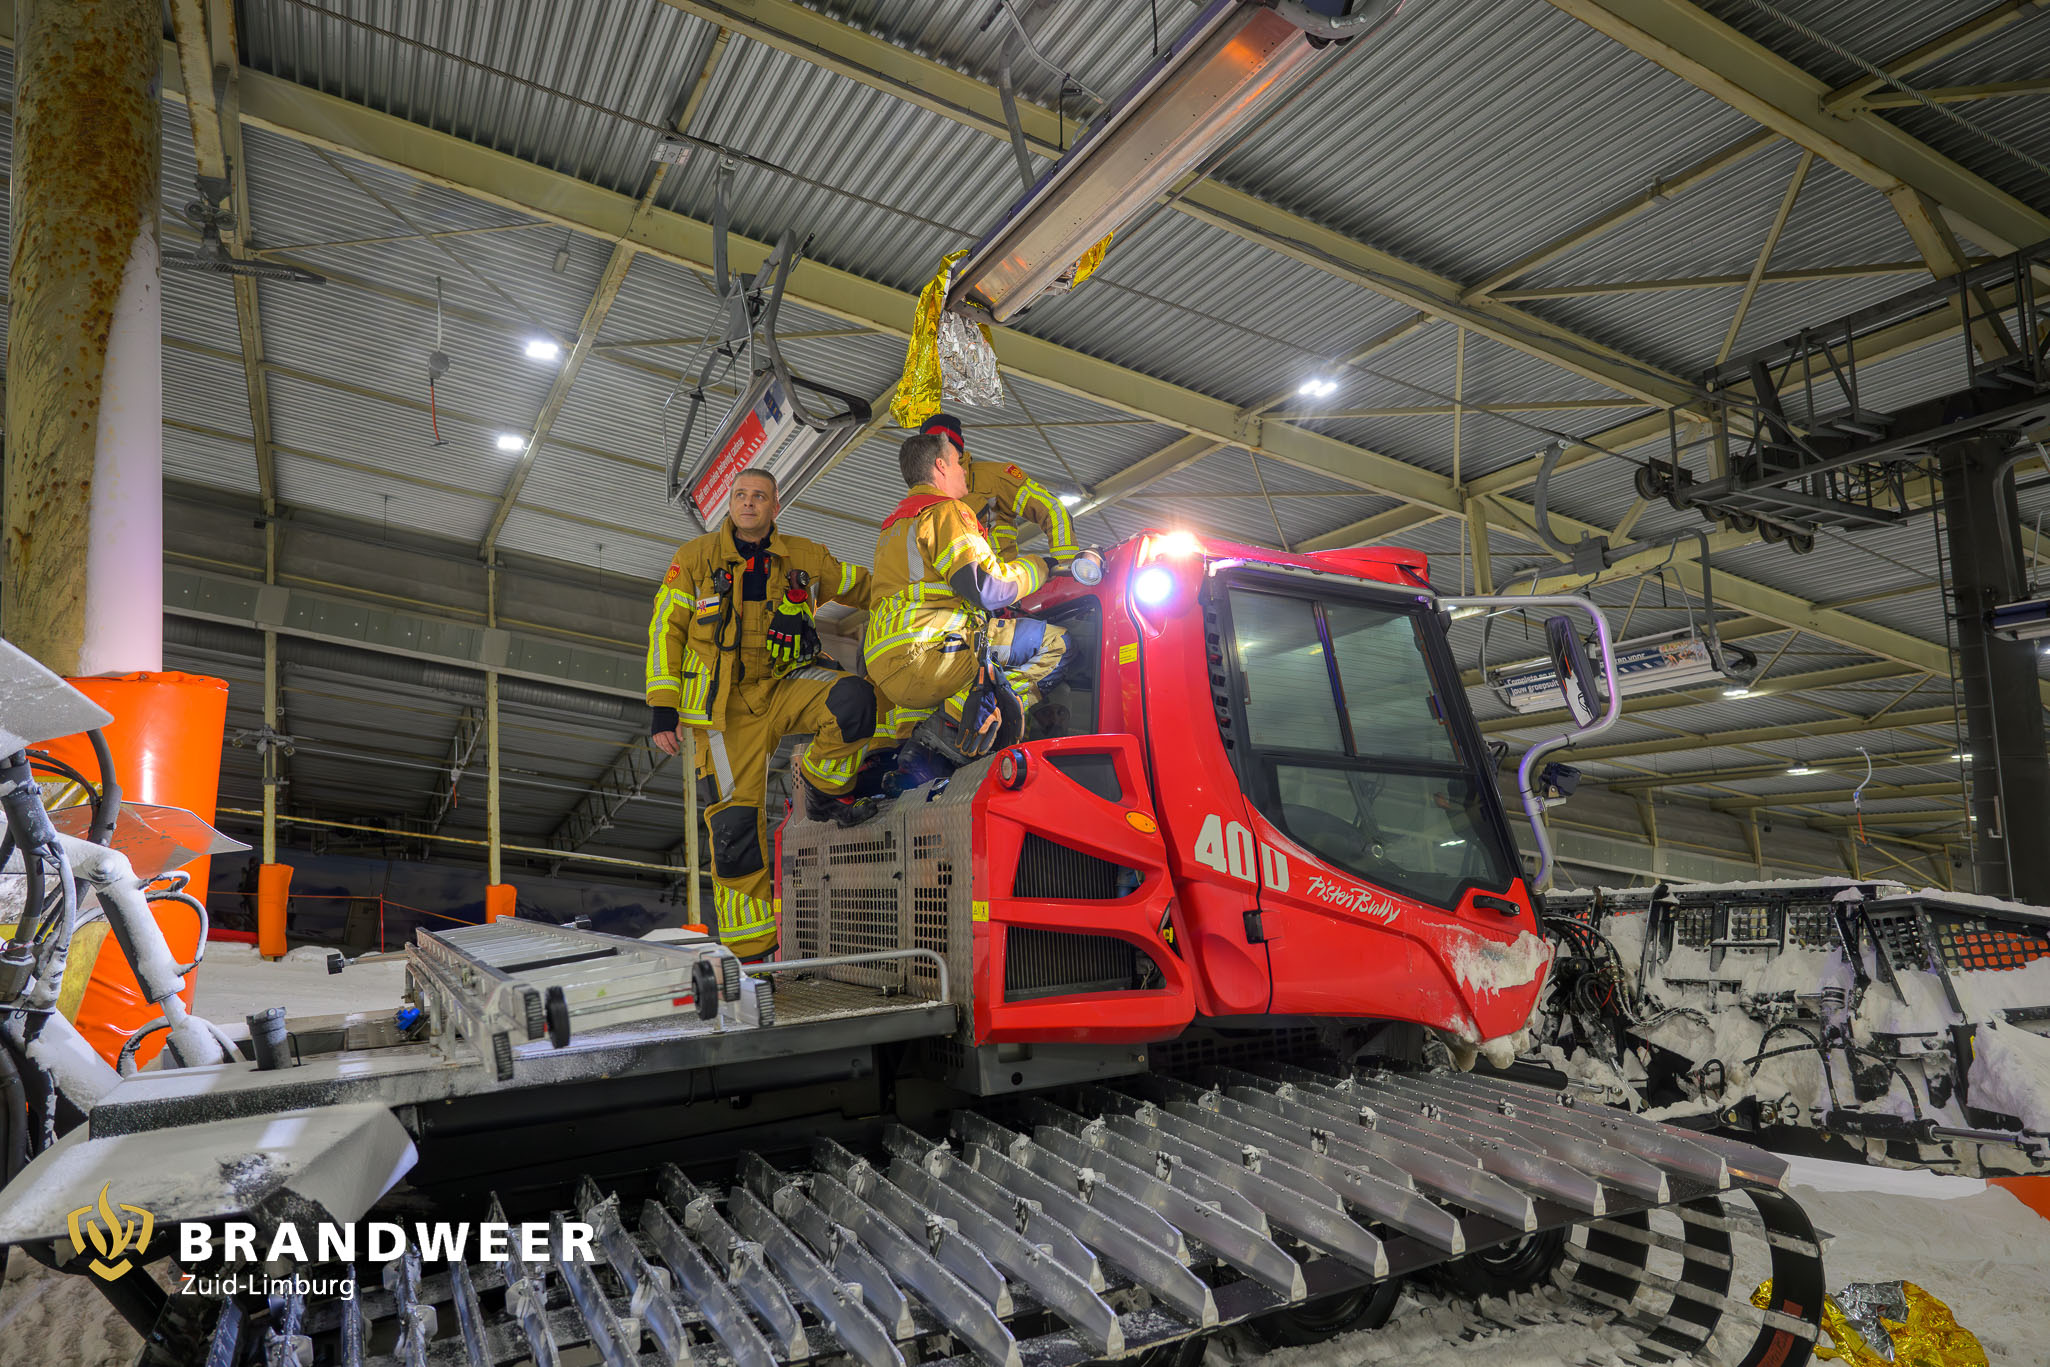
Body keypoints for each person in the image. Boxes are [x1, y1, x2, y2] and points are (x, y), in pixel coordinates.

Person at [645, 468, 876, 959]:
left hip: (786, 684)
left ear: (776, 505)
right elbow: (667, 627)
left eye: (759, 497)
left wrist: (925, 593)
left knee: (854, 701)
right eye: (740, 495)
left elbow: (867, 586)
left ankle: (821, 784)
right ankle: (750, 956)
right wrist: (663, 708)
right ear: (729, 503)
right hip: (723, 712)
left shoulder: (806, 556)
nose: (748, 503)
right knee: (733, 830)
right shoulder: (694, 559)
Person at [865, 432, 1068, 781]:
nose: (964, 470)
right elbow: (989, 588)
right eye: (959, 462)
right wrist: (1042, 566)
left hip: (886, 665)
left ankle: (926, 754)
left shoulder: (893, 527)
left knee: (978, 664)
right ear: (940, 466)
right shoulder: (945, 511)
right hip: (930, 651)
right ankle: (972, 723)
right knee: (1058, 644)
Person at [920, 412, 1078, 561]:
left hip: (1000, 583)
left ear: (958, 450)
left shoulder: (995, 478)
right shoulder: (920, 500)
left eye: (942, 445)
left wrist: (1066, 569)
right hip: (952, 587)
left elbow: (1052, 509)